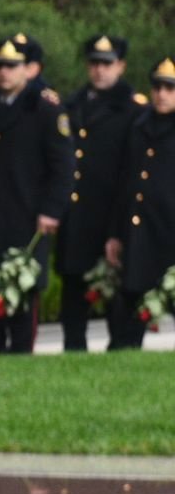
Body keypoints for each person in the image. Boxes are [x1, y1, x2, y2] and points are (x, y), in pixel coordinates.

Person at [0, 38, 75, 354]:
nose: (4, 73)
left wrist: (52, 210)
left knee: (20, 300)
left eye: (11, 66)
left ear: (27, 70)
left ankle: (22, 358)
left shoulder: (44, 109)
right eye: (0, 66)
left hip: (24, 217)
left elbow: (63, 167)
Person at [58, 35, 143, 351]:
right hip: (76, 219)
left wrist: (118, 229)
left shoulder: (133, 110)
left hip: (110, 219)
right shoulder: (73, 104)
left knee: (115, 303)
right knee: (73, 298)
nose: (99, 70)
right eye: (94, 63)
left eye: (107, 64)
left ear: (120, 66)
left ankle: (120, 358)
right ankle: (73, 355)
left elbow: (131, 174)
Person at [104, 57, 175, 349]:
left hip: (170, 232)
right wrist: (115, 233)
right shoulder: (139, 126)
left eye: (170, 88)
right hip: (141, 233)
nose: (162, 94)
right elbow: (124, 183)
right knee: (131, 303)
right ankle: (123, 355)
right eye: (157, 87)